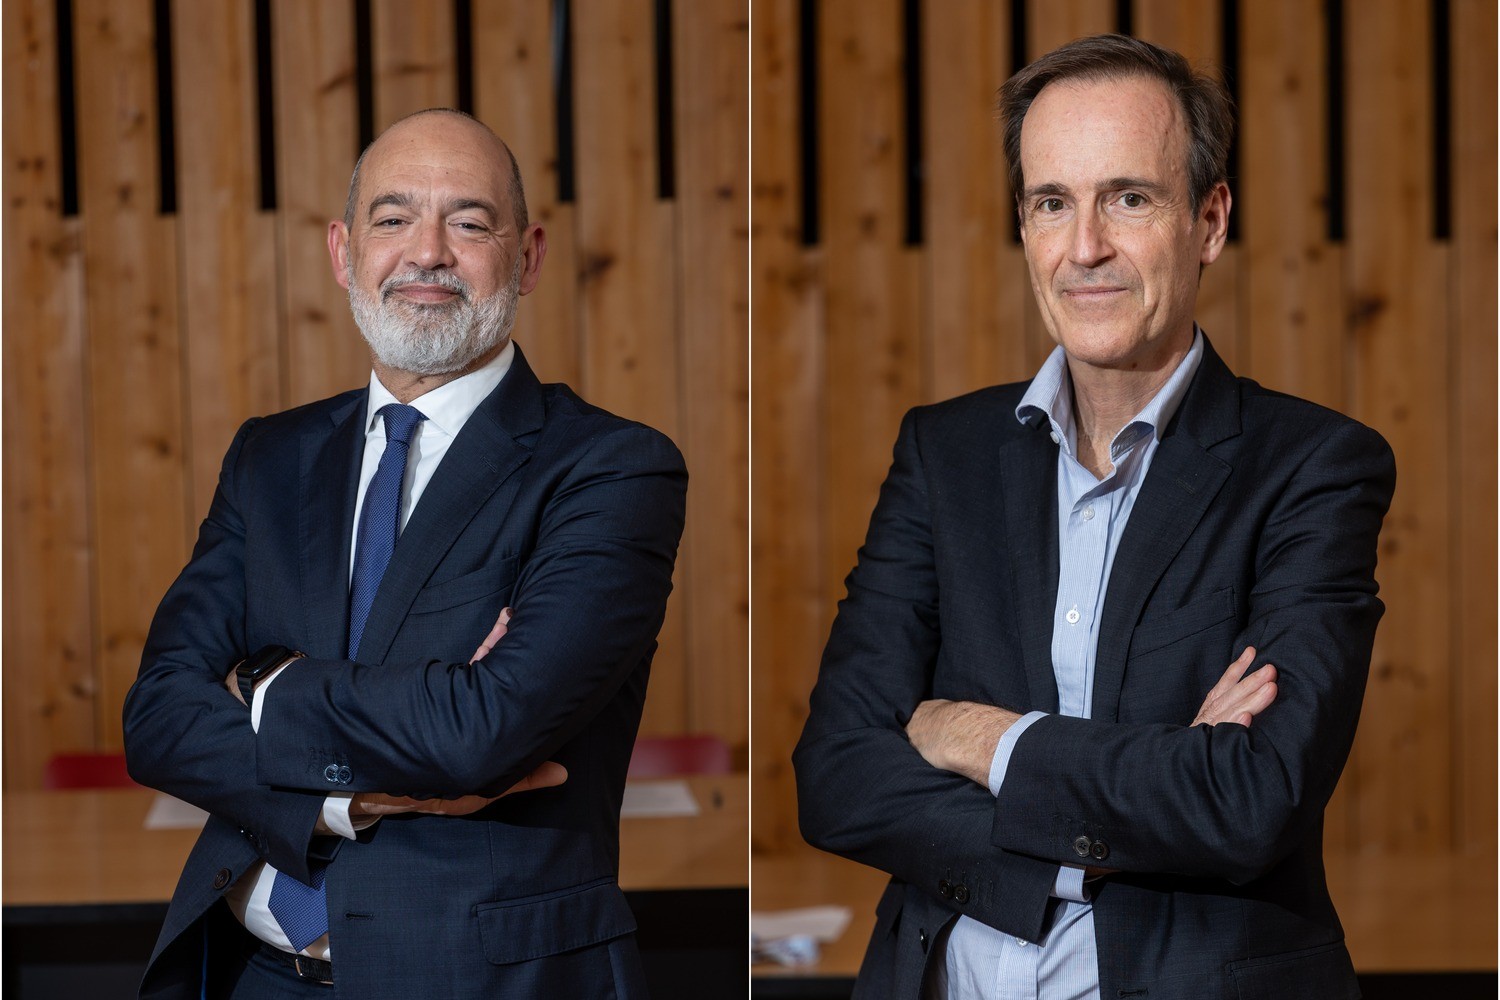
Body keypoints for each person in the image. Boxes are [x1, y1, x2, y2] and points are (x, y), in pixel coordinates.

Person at [793, 34, 1394, 1000]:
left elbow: (1250, 798)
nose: (1085, 249)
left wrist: (981, 740)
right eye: (1051, 203)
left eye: (1128, 199)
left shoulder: (1313, 468)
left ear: (1209, 220)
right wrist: (1131, 813)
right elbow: (836, 775)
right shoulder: (943, 455)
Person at [123, 108, 686, 998]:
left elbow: (483, 732)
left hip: (481, 980)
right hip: (245, 972)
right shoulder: (270, 457)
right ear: (344, 253)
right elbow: (158, 715)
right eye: (393, 219)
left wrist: (261, 684)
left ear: (528, 256)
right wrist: (343, 799)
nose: (427, 252)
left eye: (470, 223)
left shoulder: (611, 468)